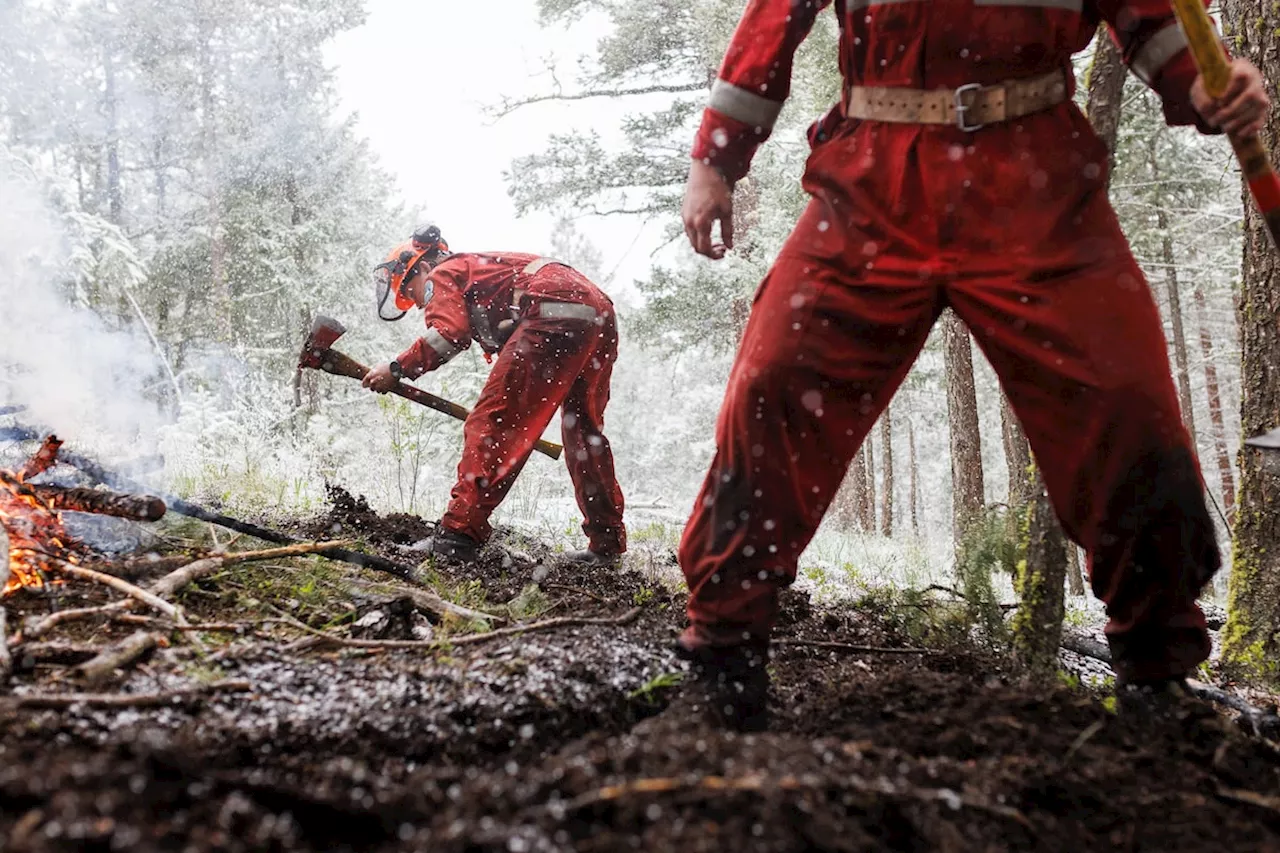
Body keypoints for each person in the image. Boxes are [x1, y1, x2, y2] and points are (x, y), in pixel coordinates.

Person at [675, 0, 1270, 731]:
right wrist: (716, 160)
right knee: (772, 386)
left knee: (1128, 406)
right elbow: (772, 20)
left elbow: (1151, 19)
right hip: (870, 178)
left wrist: (1200, 86)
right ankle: (724, 657)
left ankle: (1157, 676)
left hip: (1037, 178)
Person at [364, 226, 627, 565]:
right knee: (583, 433)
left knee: (492, 423)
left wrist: (397, 368)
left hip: (553, 307)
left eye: (411, 291)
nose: (418, 304)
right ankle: (606, 545)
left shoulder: (442, 273)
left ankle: (457, 536)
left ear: (422, 268)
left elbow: (449, 335)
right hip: (598, 310)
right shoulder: (484, 272)